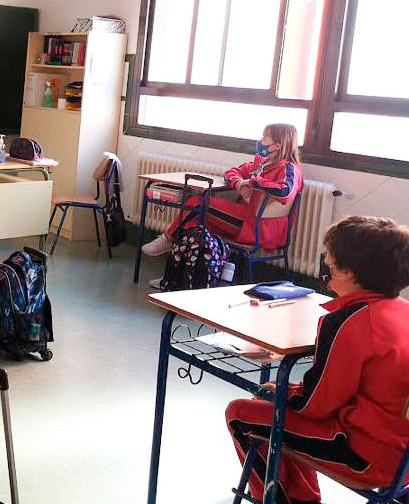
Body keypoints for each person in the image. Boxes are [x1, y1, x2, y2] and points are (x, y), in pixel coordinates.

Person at [225, 216, 409, 504]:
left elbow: (316, 406)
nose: (324, 259)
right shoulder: (402, 311)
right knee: (271, 402)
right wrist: (287, 393)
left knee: (241, 414)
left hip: (368, 455)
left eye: (329, 255)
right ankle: (301, 496)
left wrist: (285, 393)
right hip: (400, 448)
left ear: (347, 271)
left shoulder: (347, 322)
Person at [143, 123, 303, 260]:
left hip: (258, 227)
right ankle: (180, 274)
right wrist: (239, 183)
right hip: (246, 219)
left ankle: (169, 239)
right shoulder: (262, 164)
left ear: (277, 145)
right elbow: (231, 172)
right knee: (195, 223)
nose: (260, 141)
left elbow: (285, 192)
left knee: (199, 202)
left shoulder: (289, 168)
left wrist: (254, 182)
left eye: (265, 138)